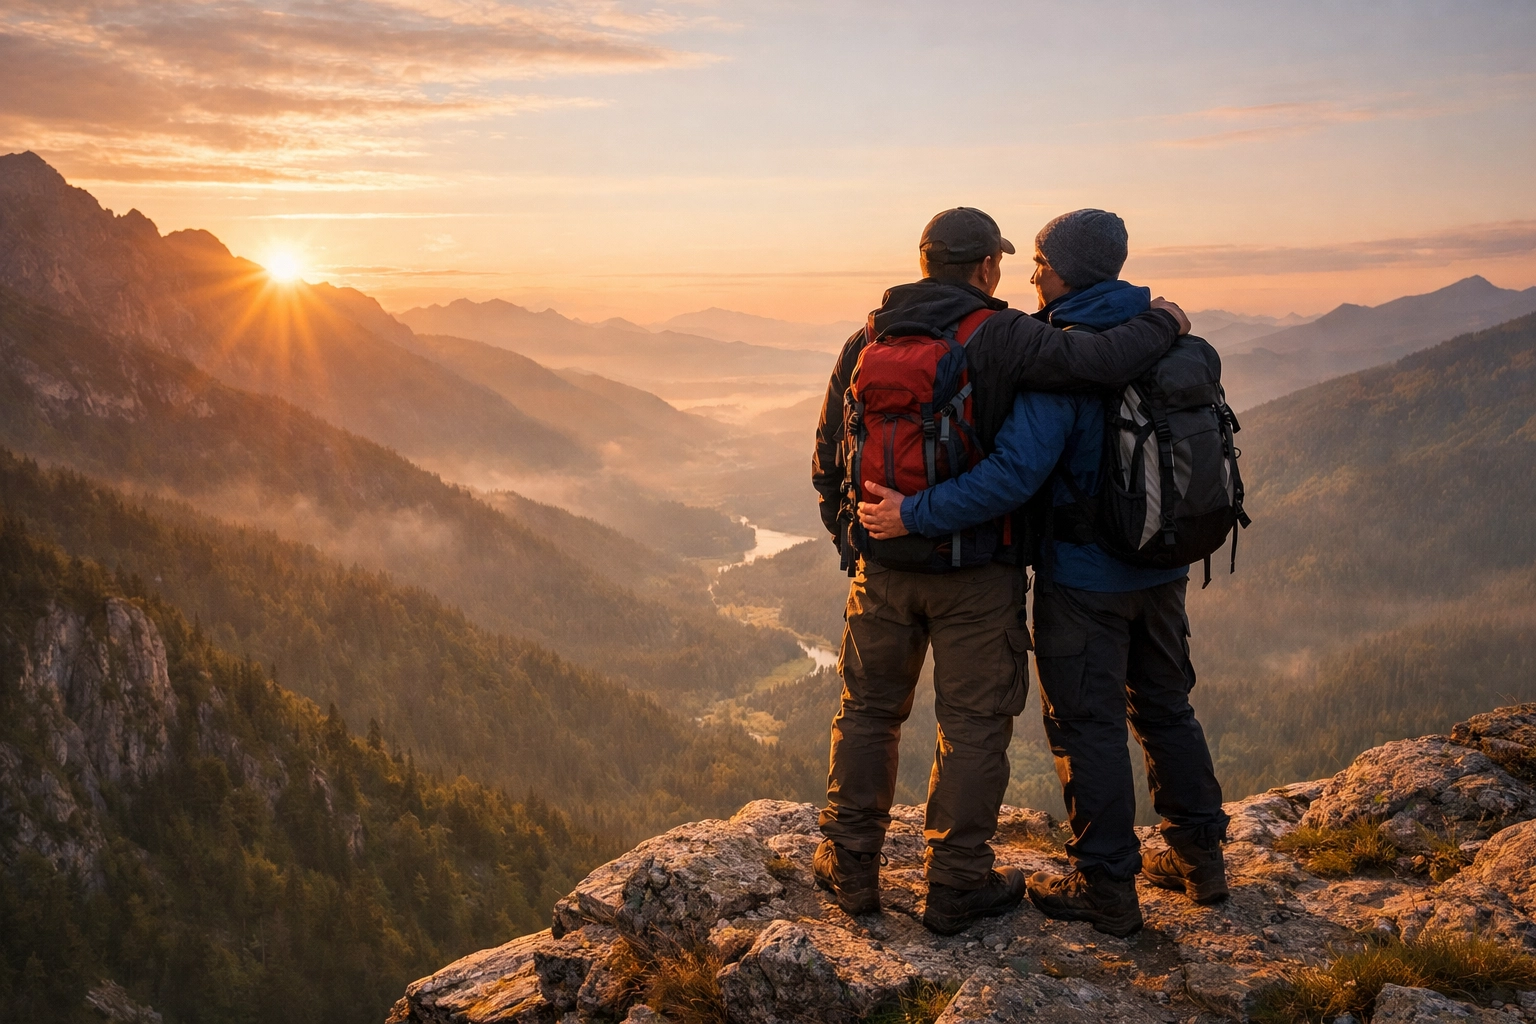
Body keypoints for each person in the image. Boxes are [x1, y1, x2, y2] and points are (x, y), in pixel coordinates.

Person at [810, 206, 1191, 935]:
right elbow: (1097, 363)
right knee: (973, 726)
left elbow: (829, 453)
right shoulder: (1005, 335)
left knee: (867, 713)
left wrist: (855, 541)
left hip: (882, 567)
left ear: (925, 261)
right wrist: (1164, 321)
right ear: (987, 267)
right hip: (977, 573)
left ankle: (851, 864)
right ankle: (956, 883)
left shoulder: (867, 337)